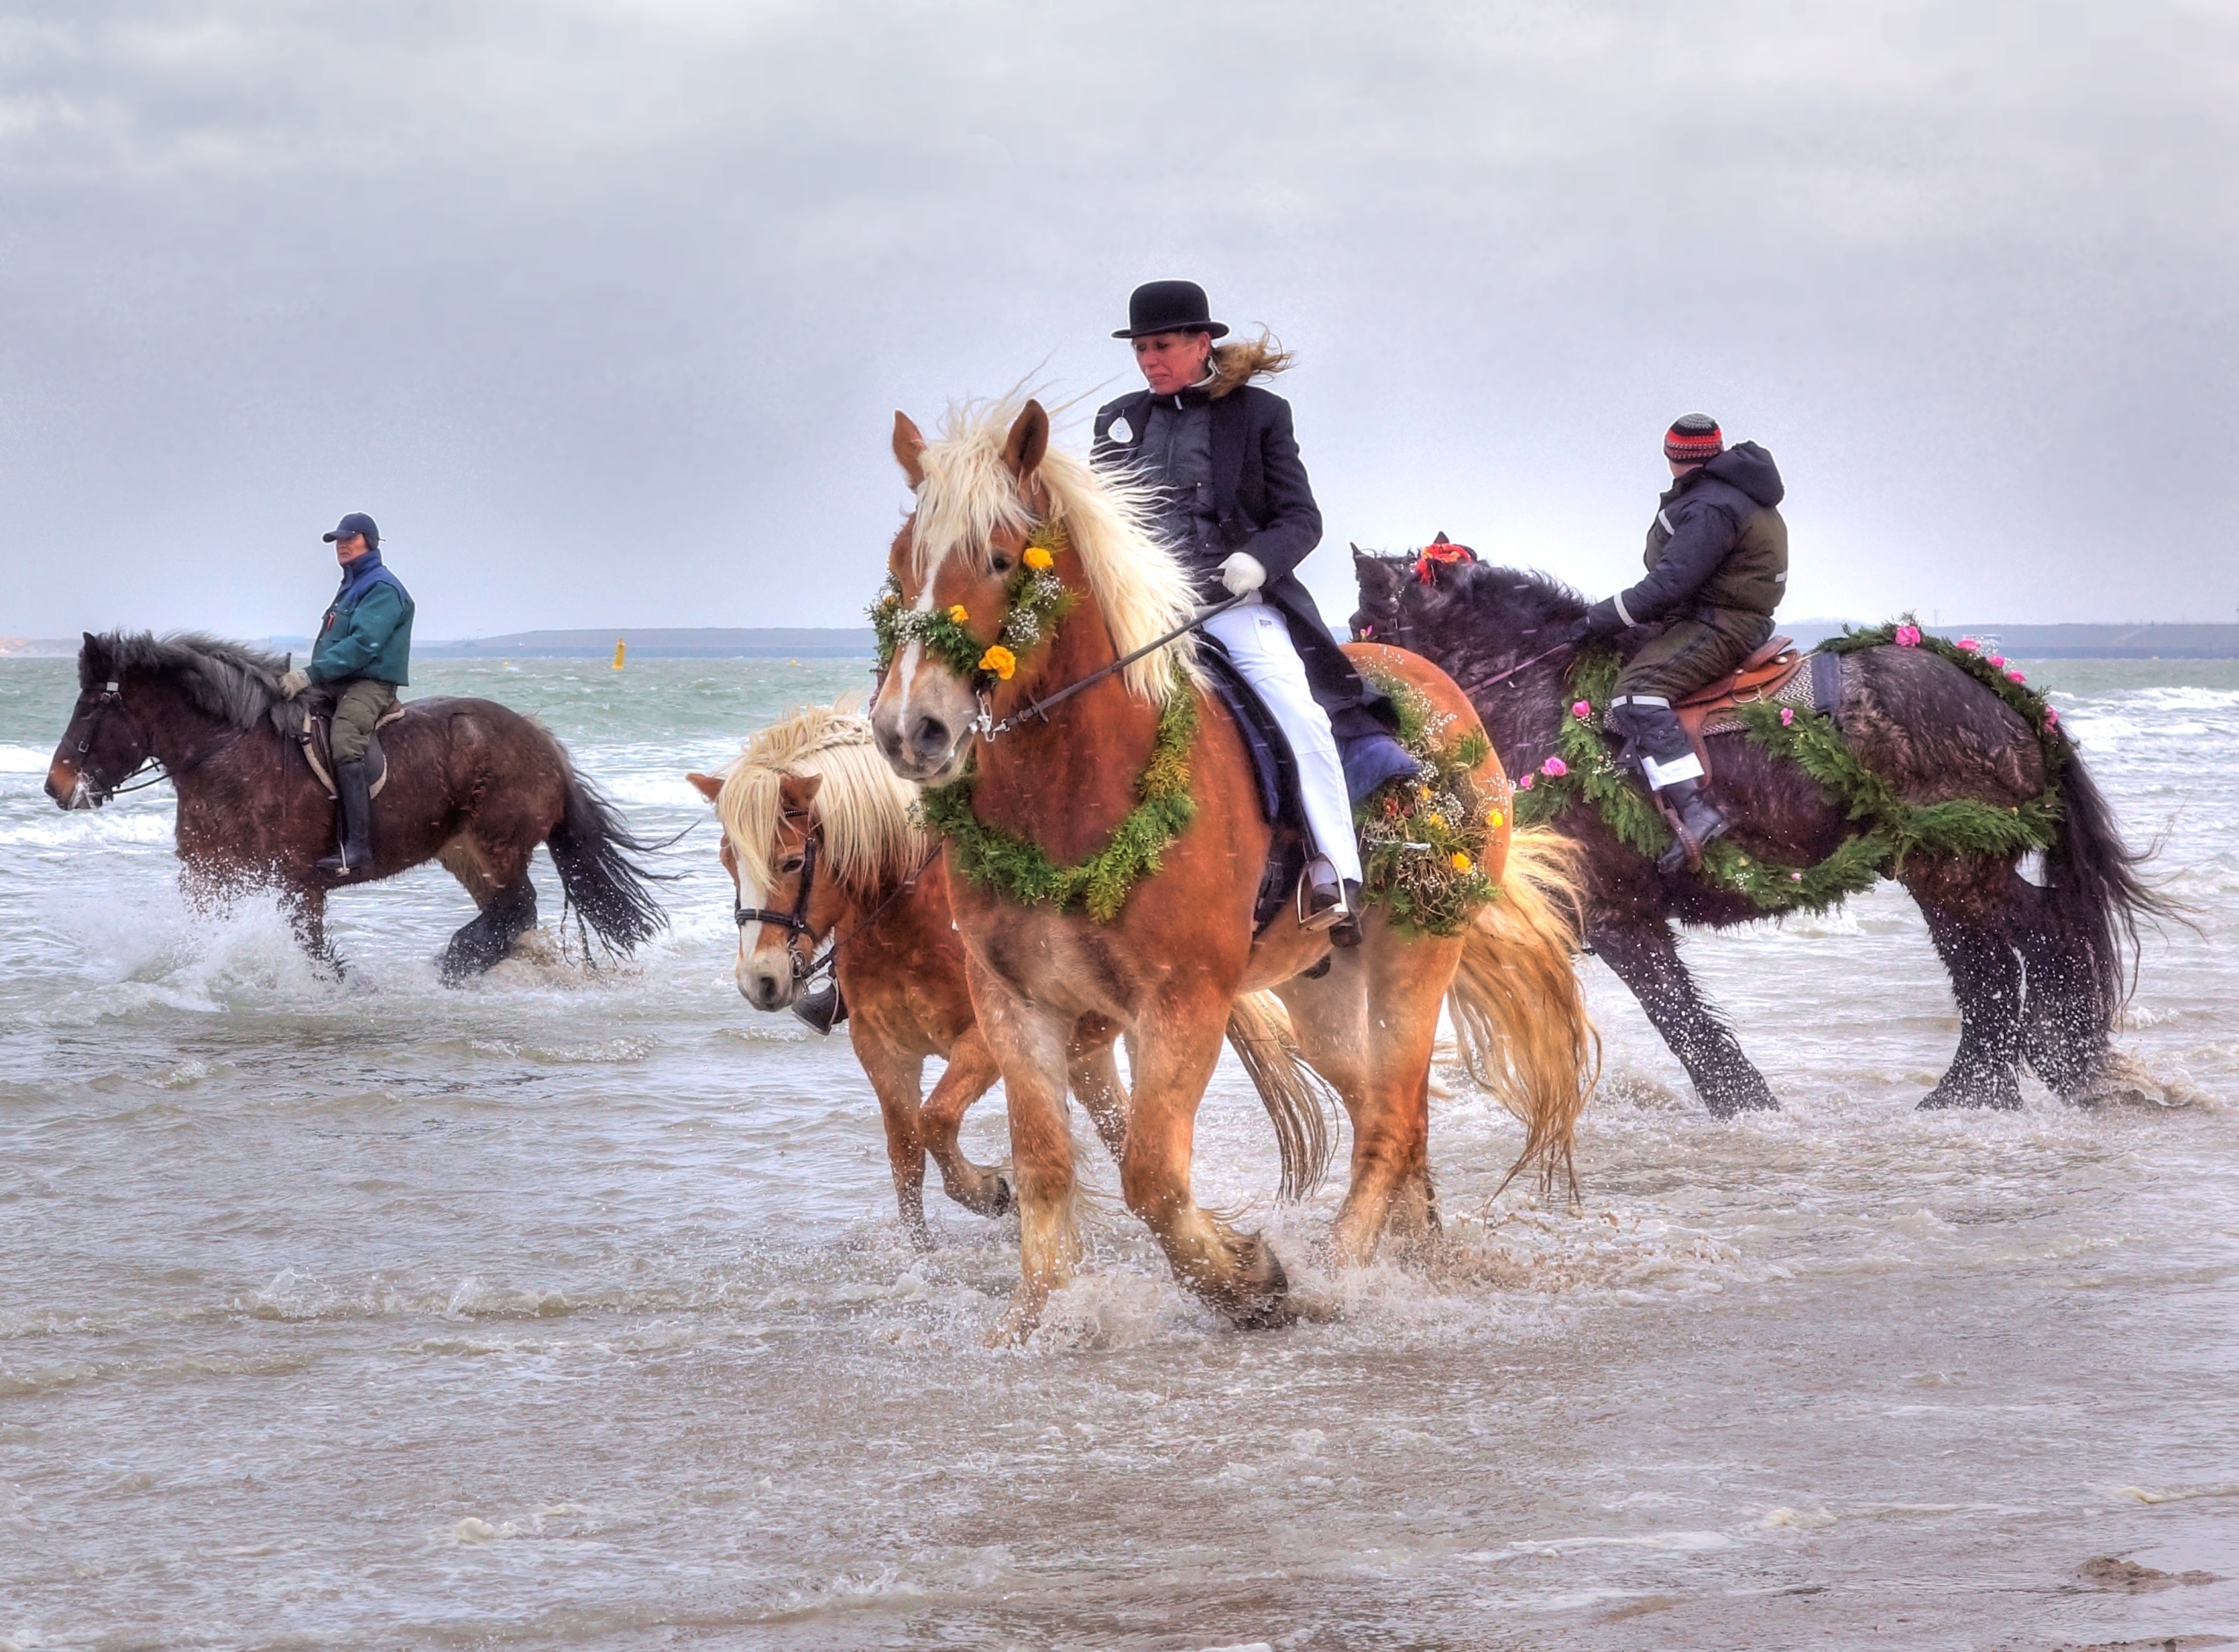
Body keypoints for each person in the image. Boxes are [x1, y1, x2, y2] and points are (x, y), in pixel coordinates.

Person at [1092, 279, 1415, 942]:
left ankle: (1335, 873)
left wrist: (1258, 561)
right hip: (1139, 613)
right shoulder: (1116, 419)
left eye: (1161, 346)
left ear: (1200, 341)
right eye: (1141, 349)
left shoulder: (1261, 414)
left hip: (1232, 605)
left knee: (1298, 712)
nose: (1149, 360)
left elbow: (1301, 517)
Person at [1568, 414, 1788, 872]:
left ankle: (1696, 809)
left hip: (1720, 622)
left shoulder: (1710, 506)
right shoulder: (1726, 494)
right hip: (1715, 614)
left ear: (1673, 457)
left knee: (1635, 693)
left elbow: (1670, 584)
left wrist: (1599, 619)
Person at [278, 512, 416, 875]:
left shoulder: (382, 588)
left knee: (344, 739)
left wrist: (309, 675)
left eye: (349, 539)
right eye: (338, 540)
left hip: (369, 684)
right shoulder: (353, 584)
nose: (341, 545)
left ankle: (357, 848)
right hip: (336, 681)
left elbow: (362, 646)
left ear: (369, 542)